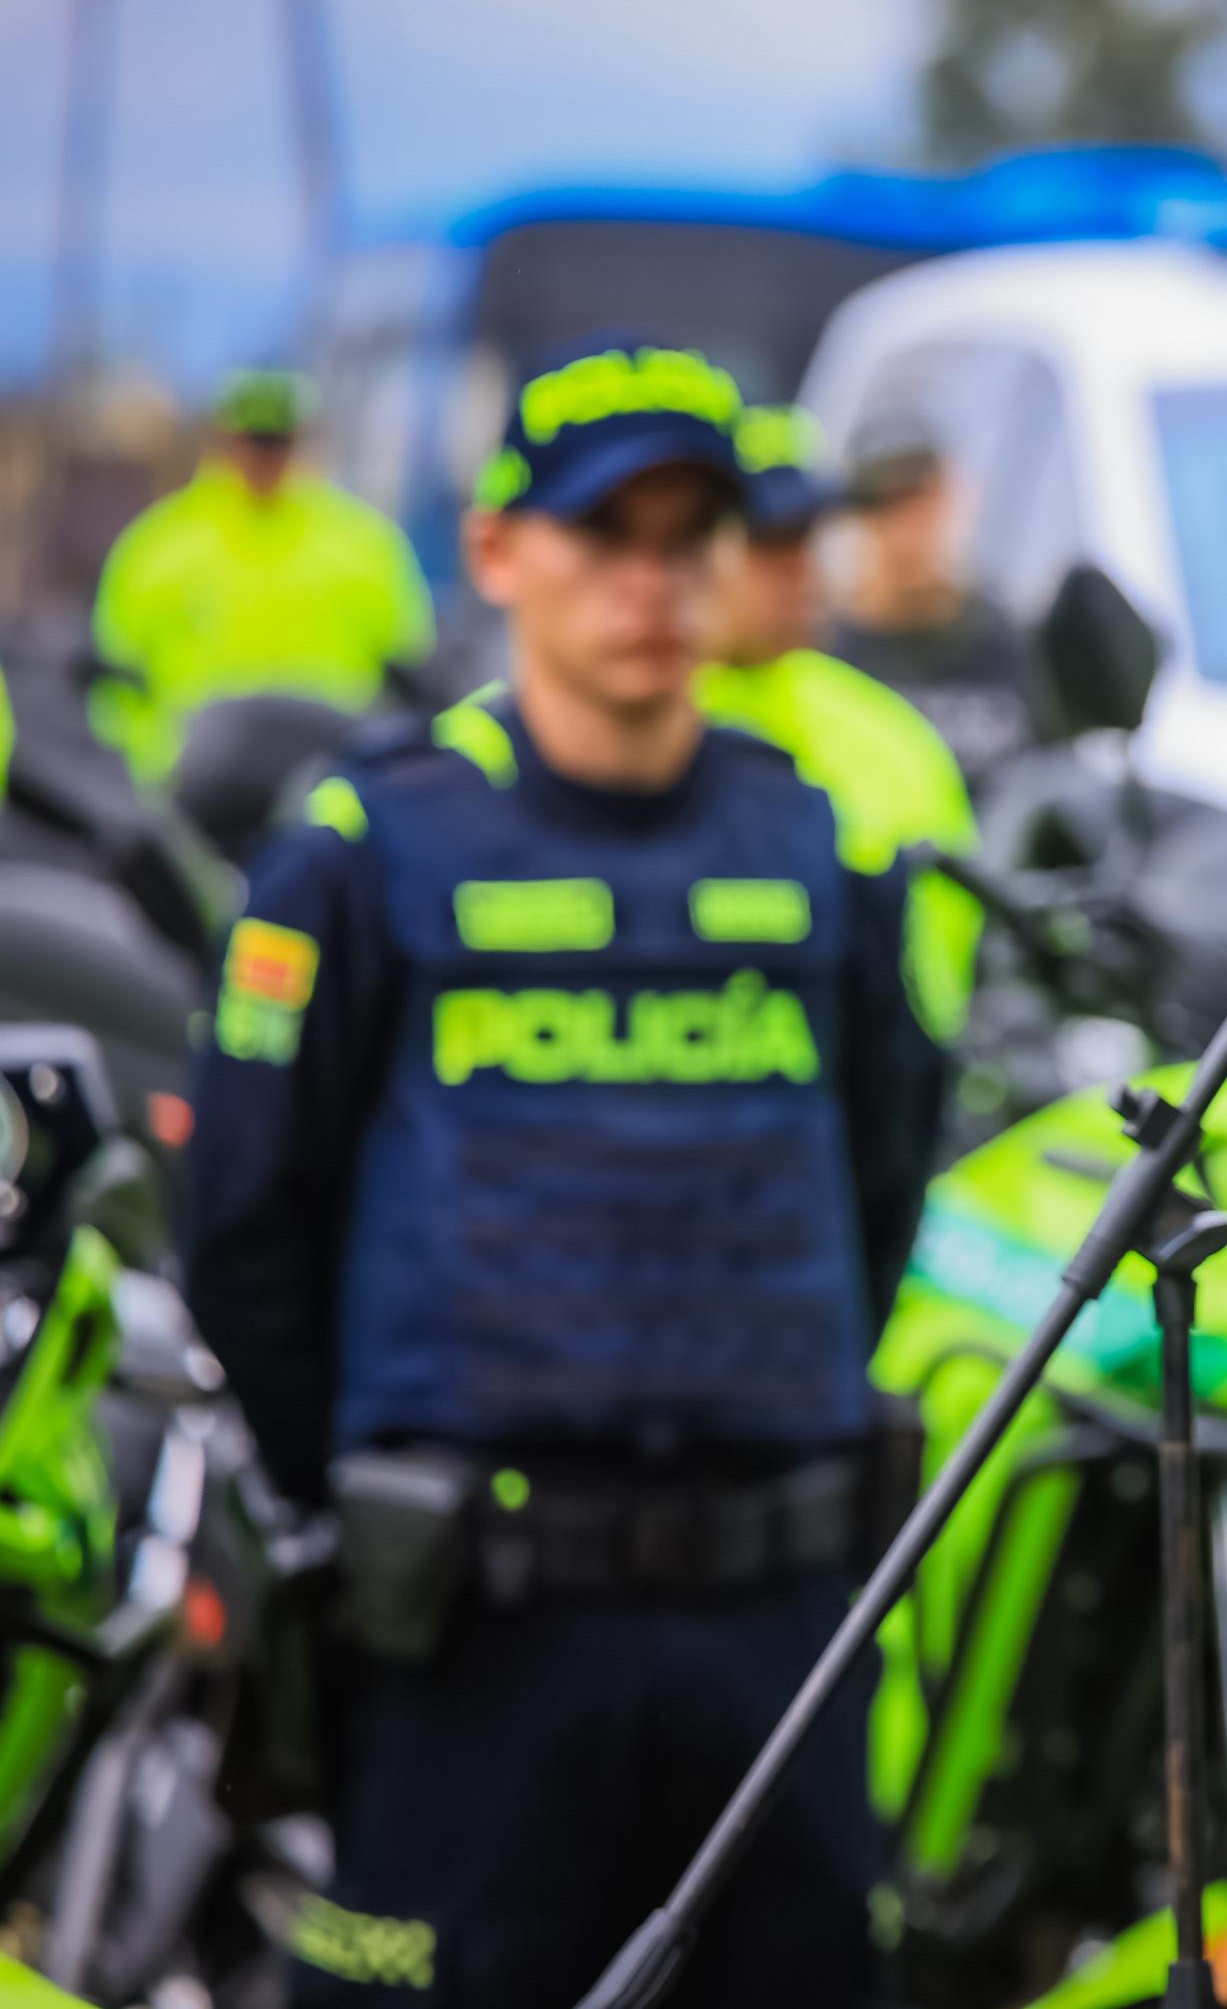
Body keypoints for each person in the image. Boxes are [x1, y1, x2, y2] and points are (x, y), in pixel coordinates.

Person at [183, 340, 951, 2009]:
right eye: (610, 533)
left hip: (776, 1627)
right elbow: (246, 1219)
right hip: (474, 1630)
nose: (655, 581)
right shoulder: (365, 849)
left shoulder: (817, 838)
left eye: (694, 537)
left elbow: (882, 1177)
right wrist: (372, 1490)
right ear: (498, 550)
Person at [699, 407, 985, 1044]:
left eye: (808, 535)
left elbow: (940, 1001)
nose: (800, 567)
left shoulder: (892, 742)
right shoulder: (591, 733)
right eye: (766, 542)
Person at [89, 369, 432, 788]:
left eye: (279, 441)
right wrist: (149, 771)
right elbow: (113, 688)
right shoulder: (158, 548)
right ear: (220, 438)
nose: (265, 458)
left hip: (330, 793)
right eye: (253, 440)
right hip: (192, 798)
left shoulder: (366, 546)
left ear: (307, 438)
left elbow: (412, 673)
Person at [827, 410, 1045, 786]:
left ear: (957, 494)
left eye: (918, 495)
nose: (905, 525)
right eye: (881, 502)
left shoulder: (1014, 642)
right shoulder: (826, 657)